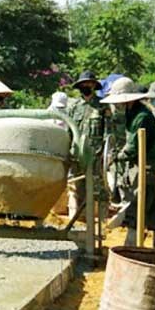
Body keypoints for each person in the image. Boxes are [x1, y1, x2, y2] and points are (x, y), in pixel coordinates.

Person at [105, 77, 155, 248]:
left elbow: (133, 147)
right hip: (142, 165)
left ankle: (132, 247)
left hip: (148, 168)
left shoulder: (141, 117)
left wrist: (115, 157)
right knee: (149, 210)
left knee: (138, 209)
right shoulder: (132, 114)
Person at [65, 71, 107, 218]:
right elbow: (68, 131)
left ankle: (102, 220)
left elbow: (108, 132)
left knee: (98, 188)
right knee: (76, 186)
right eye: (83, 84)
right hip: (77, 154)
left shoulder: (102, 106)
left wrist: (106, 153)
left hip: (96, 154)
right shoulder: (73, 107)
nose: (86, 86)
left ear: (94, 86)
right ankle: (78, 218)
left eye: (89, 83)